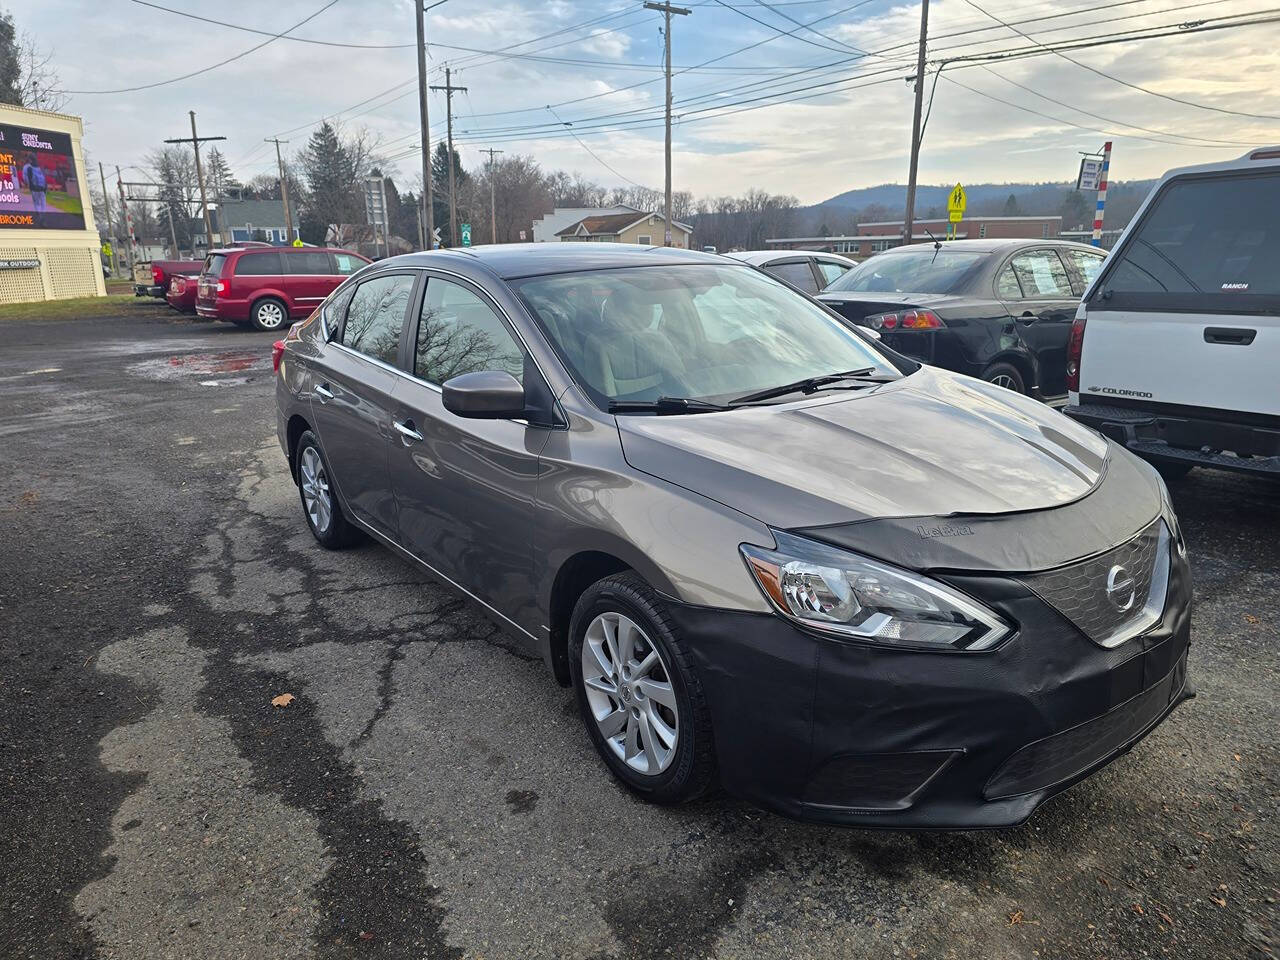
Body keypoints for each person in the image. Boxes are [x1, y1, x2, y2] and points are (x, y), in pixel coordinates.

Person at [21, 155, 48, 225]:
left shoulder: (29, 168)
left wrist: (30, 187)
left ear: (30, 160)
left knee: (37, 203)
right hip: (42, 189)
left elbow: (29, 180)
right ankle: (43, 218)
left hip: (34, 189)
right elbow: (45, 179)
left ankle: (39, 216)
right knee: (43, 204)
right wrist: (45, 189)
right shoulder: (40, 168)